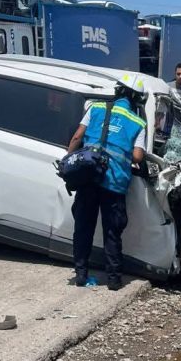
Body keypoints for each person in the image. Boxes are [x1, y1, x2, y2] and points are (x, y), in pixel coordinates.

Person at [66, 74, 147, 291]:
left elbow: (77, 137)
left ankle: (81, 275)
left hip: (88, 176)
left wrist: (68, 161)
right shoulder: (138, 122)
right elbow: (138, 156)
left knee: (83, 226)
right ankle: (113, 280)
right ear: (136, 99)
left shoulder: (96, 107)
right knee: (112, 231)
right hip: (114, 182)